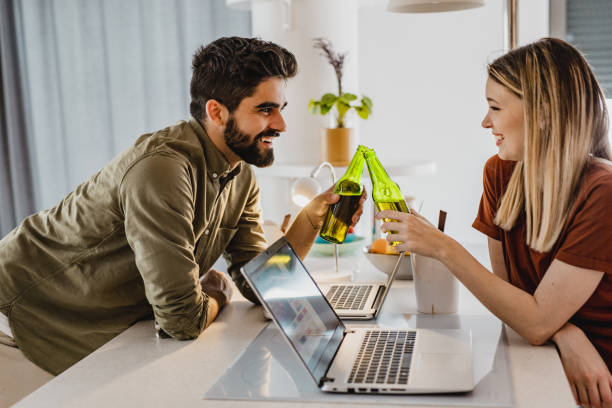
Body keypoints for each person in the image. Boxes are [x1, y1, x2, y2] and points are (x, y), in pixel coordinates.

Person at [0, 35, 365, 390]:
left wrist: (311, 221)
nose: (281, 124)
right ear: (216, 112)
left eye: (281, 109)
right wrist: (220, 291)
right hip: (18, 318)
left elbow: (263, 284)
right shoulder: (163, 170)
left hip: (86, 323)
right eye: (265, 109)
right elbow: (182, 320)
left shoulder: (240, 173)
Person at [377, 38, 611, 408]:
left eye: (495, 107)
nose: (485, 121)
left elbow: (534, 323)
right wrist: (565, 334)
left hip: (597, 382)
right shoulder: (499, 174)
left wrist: (441, 245)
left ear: (543, 111)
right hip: (548, 357)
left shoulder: (602, 192)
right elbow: (513, 303)